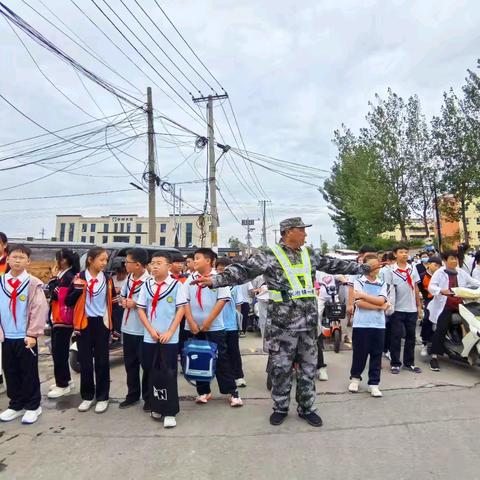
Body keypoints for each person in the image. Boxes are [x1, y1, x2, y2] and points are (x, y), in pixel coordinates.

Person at [193, 218, 367, 427]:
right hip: (282, 325)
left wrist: (362, 268)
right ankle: (281, 407)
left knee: (308, 369)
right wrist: (215, 280)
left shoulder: (309, 254)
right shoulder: (269, 256)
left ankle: (307, 408)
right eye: (301, 230)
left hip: (308, 324)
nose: (305, 234)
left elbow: (335, 264)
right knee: (280, 369)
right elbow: (242, 271)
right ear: (288, 232)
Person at [184, 248, 243, 408]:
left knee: (222, 359)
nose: (194, 261)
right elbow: (185, 302)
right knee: (198, 358)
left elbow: (222, 301)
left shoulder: (218, 279)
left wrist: (208, 322)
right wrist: (192, 323)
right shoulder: (190, 279)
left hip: (214, 327)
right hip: (195, 327)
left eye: (197, 258)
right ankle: (203, 392)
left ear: (209, 261)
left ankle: (232, 392)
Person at [137, 251, 187, 428]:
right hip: (150, 337)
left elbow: (181, 310)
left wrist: (170, 332)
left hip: (169, 338)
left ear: (169, 266)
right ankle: (155, 404)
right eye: (152, 263)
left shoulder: (176, 285)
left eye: (159, 263)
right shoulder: (146, 285)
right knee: (150, 370)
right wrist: (150, 330)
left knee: (168, 372)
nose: (155, 266)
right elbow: (141, 309)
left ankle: (170, 410)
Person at [0, 245, 48, 424]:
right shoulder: (1, 281)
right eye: (14, 257)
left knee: (28, 372)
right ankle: (16, 405)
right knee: (10, 371)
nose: (17, 260)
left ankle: (33, 406)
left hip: (25, 337)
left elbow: (39, 308)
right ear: (8, 258)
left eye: (22, 257)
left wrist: (33, 334)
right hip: (6, 336)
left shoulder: (33, 283)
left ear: (28, 261)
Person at [66, 247, 115, 414]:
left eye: (106, 260)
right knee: (85, 362)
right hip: (83, 324)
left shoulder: (108, 279)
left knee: (102, 362)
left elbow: (112, 302)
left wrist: (113, 327)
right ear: (90, 260)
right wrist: (78, 292)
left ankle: (103, 397)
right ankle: (87, 396)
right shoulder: (78, 278)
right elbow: (68, 301)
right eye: (101, 259)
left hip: (102, 324)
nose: (104, 263)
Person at [428, 250, 480, 372]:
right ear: (445, 261)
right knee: (441, 329)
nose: (454, 261)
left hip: (460, 305)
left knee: (471, 325)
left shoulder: (461, 272)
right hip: (445, 305)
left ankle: (465, 349)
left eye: (456, 259)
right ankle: (434, 356)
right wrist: (441, 290)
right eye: (451, 259)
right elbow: (431, 287)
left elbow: (474, 282)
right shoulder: (439, 273)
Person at [348, 254, 389, 397]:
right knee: (360, 353)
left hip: (378, 324)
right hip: (361, 324)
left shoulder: (382, 283)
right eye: (371, 265)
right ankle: (355, 378)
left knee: (377, 355)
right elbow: (359, 303)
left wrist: (365, 296)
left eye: (376, 264)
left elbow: (382, 300)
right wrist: (378, 305)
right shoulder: (359, 281)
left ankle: (374, 383)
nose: (375, 267)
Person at [383, 244, 423, 374]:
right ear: (395, 254)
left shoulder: (412, 269)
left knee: (411, 337)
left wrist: (418, 306)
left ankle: (409, 362)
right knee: (396, 336)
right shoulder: (390, 270)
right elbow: (388, 290)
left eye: (406, 252)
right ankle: (395, 363)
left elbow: (416, 288)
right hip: (397, 309)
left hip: (411, 309)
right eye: (401, 252)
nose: (404, 254)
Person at [118, 248, 150, 409]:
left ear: (138, 265)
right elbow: (122, 295)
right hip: (128, 327)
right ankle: (132, 395)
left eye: (127, 262)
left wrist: (136, 303)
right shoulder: (129, 278)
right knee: (130, 364)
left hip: (143, 330)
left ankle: (148, 397)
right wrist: (122, 301)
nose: (125, 264)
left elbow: (153, 303)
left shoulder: (150, 281)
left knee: (146, 365)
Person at [47, 248, 80, 399]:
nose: (55, 262)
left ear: (64, 260)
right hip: (57, 317)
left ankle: (63, 385)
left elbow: (57, 295)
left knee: (59, 352)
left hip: (63, 319)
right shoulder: (64, 275)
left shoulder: (68, 277)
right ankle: (65, 379)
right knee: (57, 352)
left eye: (57, 259)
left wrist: (53, 279)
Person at [216, 257, 247, 388]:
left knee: (233, 351)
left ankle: (238, 376)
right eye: (219, 269)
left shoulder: (235, 286)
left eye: (224, 270)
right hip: (216, 324)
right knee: (219, 352)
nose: (221, 272)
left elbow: (238, 305)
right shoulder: (213, 284)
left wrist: (238, 323)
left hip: (231, 325)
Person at [418, 255, 442, 358]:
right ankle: (424, 343)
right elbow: (416, 289)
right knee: (427, 319)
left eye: (439, 266)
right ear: (428, 265)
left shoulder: (442, 276)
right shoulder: (422, 276)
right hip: (428, 300)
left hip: (441, 300)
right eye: (435, 265)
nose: (437, 268)